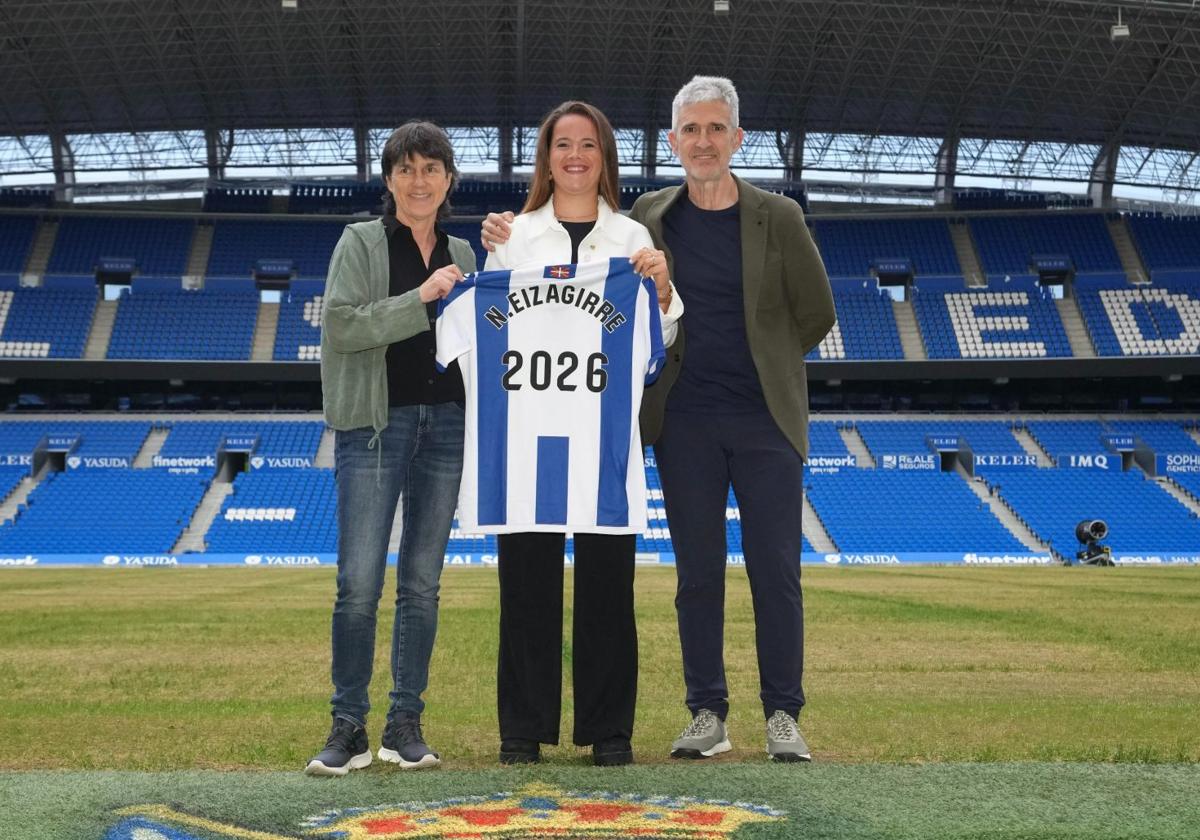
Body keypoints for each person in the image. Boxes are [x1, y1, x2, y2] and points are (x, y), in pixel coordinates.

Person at [482, 77, 834, 762]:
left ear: (737, 138)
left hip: (760, 420)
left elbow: (814, 313)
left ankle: (782, 714)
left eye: (716, 129)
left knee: (775, 571)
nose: (703, 142)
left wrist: (763, 358)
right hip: (678, 421)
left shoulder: (768, 217)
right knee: (695, 572)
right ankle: (707, 710)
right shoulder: (649, 215)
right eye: (691, 131)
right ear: (673, 141)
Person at [480, 100, 681, 767]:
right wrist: (488, 256)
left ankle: (609, 729)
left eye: (587, 145)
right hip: (529, 433)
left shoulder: (630, 239)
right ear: (546, 158)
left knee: (607, 589)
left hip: (603, 440)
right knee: (526, 585)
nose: (574, 156)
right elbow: (486, 328)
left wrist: (661, 290)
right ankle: (522, 727)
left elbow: (663, 340)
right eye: (562, 144)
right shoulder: (512, 236)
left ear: (604, 158)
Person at [306, 121, 475, 776]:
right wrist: (421, 297)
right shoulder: (362, 241)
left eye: (432, 168)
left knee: (423, 585)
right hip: (376, 424)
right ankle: (347, 724)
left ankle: (405, 723)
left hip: (449, 422)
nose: (419, 179)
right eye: (406, 168)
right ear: (389, 179)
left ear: (448, 180)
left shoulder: (466, 247)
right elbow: (342, 325)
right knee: (358, 585)